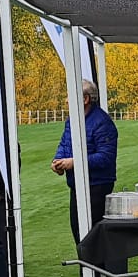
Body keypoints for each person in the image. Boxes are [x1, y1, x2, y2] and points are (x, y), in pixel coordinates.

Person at [52, 81, 118, 239]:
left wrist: (74, 163)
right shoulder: (72, 120)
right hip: (77, 186)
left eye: (71, 96)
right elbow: (65, 143)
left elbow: (106, 157)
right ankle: (85, 264)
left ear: (85, 99)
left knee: (92, 236)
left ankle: (94, 265)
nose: (67, 101)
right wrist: (58, 160)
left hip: (96, 187)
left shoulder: (102, 122)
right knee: (78, 233)